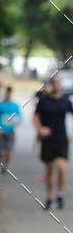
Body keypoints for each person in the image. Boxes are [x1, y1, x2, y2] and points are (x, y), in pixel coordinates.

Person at [33, 74, 73, 209]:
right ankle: (50, 197)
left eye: (58, 82)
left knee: (62, 167)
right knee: (49, 171)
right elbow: (36, 116)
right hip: (48, 140)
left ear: (61, 84)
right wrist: (40, 129)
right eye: (54, 82)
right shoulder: (44, 101)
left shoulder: (66, 101)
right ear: (51, 85)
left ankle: (60, 194)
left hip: (62, 138)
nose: (56, 85)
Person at [0, 86, 22, 172]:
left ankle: (5, 166)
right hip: (1, 131)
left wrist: (17, 122)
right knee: (0, 151)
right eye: (7, 93)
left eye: (10, 93)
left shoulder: (15, 106)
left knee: (9, 151)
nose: (8, 95)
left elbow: (18, 117)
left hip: (10, 131)